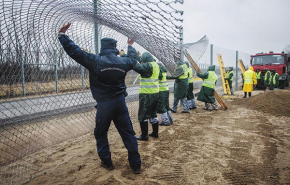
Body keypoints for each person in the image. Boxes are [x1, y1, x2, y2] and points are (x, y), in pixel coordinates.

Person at [58, 23, 141, 174]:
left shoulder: (94, 60)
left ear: (102, 48)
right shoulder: (123, 62)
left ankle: (107, 162)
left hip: (104, 105)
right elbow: (133, 59)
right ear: (115, 48)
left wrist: (63, 36)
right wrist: (129, 45)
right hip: (120, 103)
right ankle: (136, 166)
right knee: (128, 133)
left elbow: (74, 51)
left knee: (101, 133)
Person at [133, 52, 160, 140]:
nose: (142, 62)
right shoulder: (155, 65)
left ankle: (144, 135)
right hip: (155, 93)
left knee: (143, 114)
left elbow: (137, 67)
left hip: (146, 94)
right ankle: (155, 133)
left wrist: (129, 57)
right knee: (153, 114)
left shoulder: (148, 66)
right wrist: (138, 57)